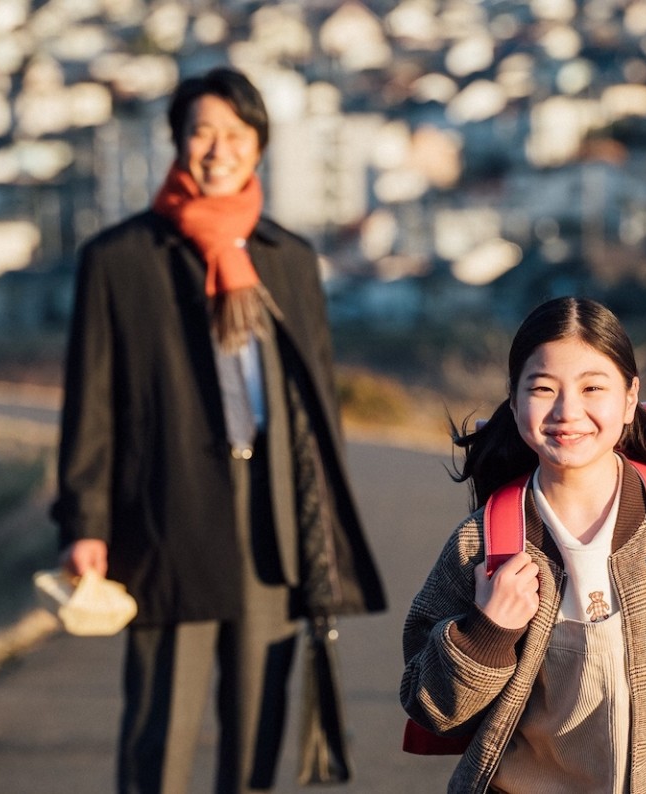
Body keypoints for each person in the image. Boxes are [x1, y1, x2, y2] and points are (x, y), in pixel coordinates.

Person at [52, 66, 386, 794]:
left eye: (236, 133)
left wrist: (322, 522)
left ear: (258, 146)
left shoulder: (287, 258)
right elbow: (91, 405)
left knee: (258, 734)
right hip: (166, 519)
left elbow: (317, 401)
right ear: (177, 142)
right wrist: (85, 522)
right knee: (159, 733)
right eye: (202, 131)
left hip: (273, 516)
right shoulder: (120, 260)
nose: (218, 148)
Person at [400, 296, 646, 793]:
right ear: (513, 399)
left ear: (630, 398)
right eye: (543, 388)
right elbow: (431, 706)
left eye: (593, 387)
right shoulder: (483, 542)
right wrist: (487, 632)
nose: (568, 412)